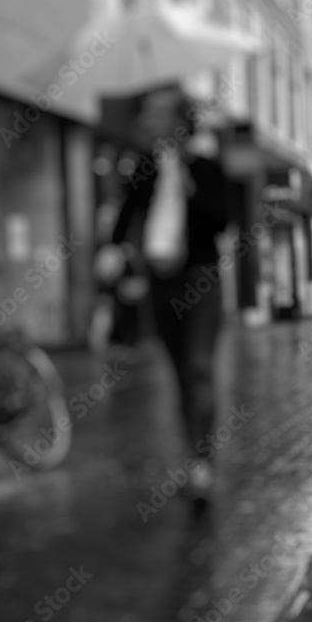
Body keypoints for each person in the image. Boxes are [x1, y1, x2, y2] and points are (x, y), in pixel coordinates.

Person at [96, 86, 228, 499]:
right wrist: (114, 247)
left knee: (198, 368)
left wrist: (187, 177)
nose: (147, 121)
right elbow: (127, 212)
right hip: (160, 282)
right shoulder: (146, 167)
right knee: (179, 375)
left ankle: (203, 464)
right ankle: (194, 456)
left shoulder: (206, 167)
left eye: (155, 114)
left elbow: (220, 221)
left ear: (177, 121)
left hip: (200, 279)